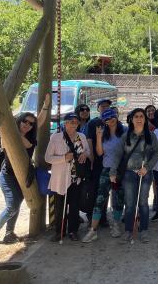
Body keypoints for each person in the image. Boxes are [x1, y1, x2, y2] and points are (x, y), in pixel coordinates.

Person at [0, 95, 50, 245]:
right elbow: (5, 139)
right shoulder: (8, 134)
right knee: (12, 205)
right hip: (7, 175)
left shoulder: (29, 137)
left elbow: (39, 121)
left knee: (17, 203)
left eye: (30, 124)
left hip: (22, 176)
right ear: (19, 120)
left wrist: (46, 106)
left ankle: (9, 232)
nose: (27, 125)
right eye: (25, 121)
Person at [110, 108, 158, 243]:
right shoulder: (125, 136)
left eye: (141, 116)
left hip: (145, 173)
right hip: (129, 174)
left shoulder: (151, 136)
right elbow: (117, 155)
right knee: (130, 203)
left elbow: (157, 153)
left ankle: (144, 231)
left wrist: (148, 168)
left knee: (143, 203)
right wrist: (113, 172)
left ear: (145, 119)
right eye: (136, 116)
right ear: (131, 119)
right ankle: (128, 230)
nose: (139, 119)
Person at [45, 112, 92, 241]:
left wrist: (85, 155)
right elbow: (48, 158)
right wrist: (63, 158)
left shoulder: (81, 136)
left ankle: (73, 231)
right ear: (65, 123)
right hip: (60, 179)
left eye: (76, 122)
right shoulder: (56, 137)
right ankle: (59, 232)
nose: (73, 125)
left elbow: (87, 151)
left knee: (75, 206)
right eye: (71, 122)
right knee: (60, 207)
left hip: (76, 178)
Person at [81, 109, 126, 242]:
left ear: (116, 117)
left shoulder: (125, 131)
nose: (110, 120)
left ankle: (116, 225)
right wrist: (99, 137)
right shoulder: (103, 133)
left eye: (112, 117)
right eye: (107, 119)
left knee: (118, 198)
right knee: (100, 199)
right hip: (106, 169)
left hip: (119, 170)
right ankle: (93, 230)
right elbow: (99, 153)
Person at [85, 98, 114, 226]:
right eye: (102, 106)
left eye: (107, 106)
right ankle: (92, 216)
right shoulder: (93, 123)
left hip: (108, 162)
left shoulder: (112, 122)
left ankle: (103, 217)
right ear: (98, 109)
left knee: (105, 190)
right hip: (96, 162)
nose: (105, 108)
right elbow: (89, 141)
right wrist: (91, 158)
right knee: (94, 190)